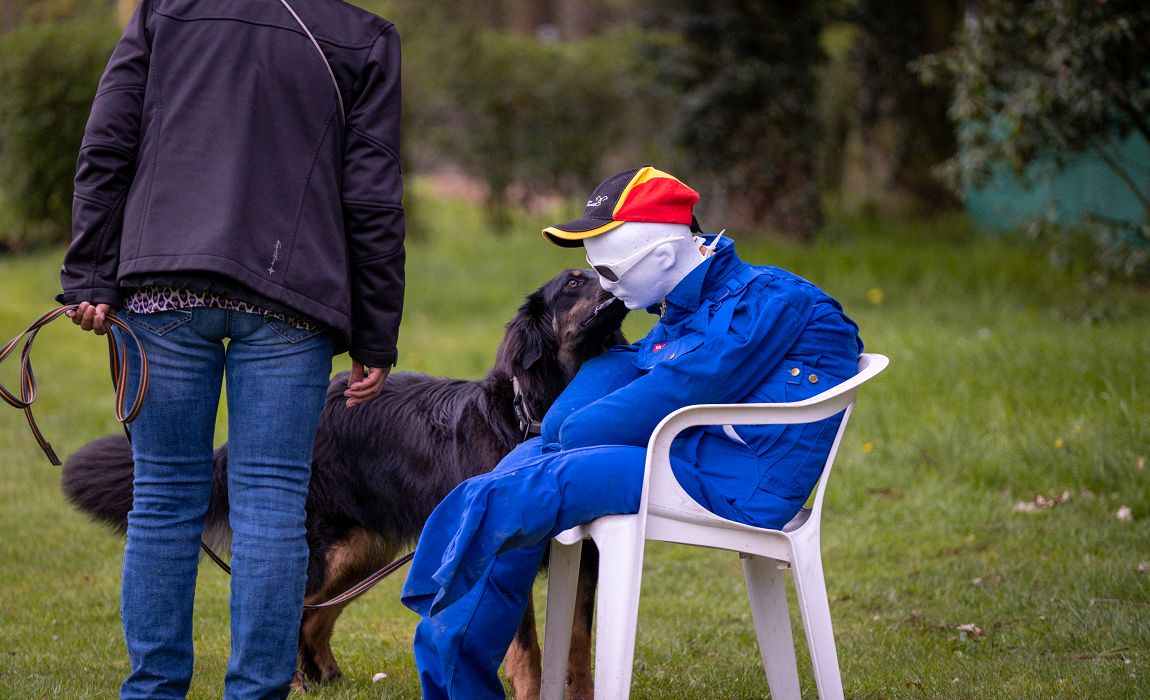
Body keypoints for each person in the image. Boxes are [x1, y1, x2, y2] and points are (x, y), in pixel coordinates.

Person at [400, 165, 863, 698]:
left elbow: (658, 397)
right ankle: (457, 659)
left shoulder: (764, 301)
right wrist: (564, 430)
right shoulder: (687, 306)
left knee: (520, 489)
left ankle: (436, 598)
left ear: (663, 255)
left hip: (734, 482)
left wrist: (569, 430)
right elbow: (581, 408)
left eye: (610, 272)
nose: (605, 287)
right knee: (517, 469)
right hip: (686, 455)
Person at [58, 1, 404, 697]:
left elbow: (106, 146)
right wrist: (374, 329)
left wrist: (90, 274)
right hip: (293, 299)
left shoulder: (166, 11)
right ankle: (256, 692)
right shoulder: (365, 36)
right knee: (272, 505)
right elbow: (371, 198)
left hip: (162, 290)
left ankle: (153, 690)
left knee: (162, 498)